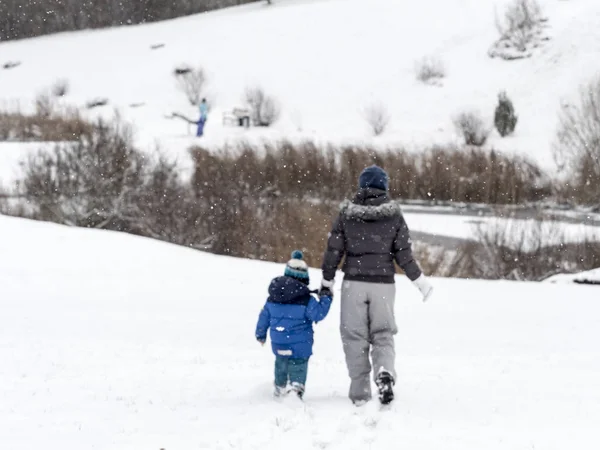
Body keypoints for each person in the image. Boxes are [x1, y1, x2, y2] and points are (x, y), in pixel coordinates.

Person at [320, 165, 433, 406]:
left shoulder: (346, 214)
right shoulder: (394, 215)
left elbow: (333, 251)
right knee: (383, 334)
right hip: (383, 285)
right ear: (385, 187)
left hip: (353, 284)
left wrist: (326, 281)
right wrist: (419, 281)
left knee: (354, 337)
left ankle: (360, 392)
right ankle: (384, 372)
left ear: (361, 186)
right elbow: (404, 255)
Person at [256, 250, 333, 399]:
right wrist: (326, 297)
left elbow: (263, 317)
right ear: (304, 278)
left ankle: (280, 387)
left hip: (279, 343)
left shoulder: (272, 298)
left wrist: (260, 334)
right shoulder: (306, 300)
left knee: (281, 364)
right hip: (300, 346)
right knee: (298, 365)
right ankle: (296, 389)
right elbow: (318, 314)